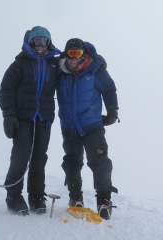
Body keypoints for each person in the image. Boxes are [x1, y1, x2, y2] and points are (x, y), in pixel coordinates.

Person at [0, 26, 61, 215]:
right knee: (21, 156)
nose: (40, 45)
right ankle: (13, 195)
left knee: (39, 158)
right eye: (37, 41)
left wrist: (96, 60)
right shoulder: (20, 64)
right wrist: (8, 114)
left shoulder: (55, 64)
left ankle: (35, 195)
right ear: (30, 43)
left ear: (48, 43)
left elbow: (76, 65)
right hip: (23, 117)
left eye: (44, 41)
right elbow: (7, 88)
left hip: (44, 119)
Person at [56, 38, 119, 220]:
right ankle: (76, 199)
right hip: (69, 127)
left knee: (99, 163)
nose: (73, 58)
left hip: (92, 125)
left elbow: (109, 89)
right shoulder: (60, 72)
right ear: (66, 54)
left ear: (84, 54)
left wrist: (112, 111)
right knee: (72, 163)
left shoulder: (94, 70)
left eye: (77, 54)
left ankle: (104, 201)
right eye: (70, 54)